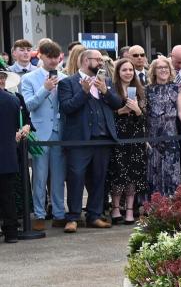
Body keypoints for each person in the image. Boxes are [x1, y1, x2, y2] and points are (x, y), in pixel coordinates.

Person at [58, 49, 123, 232]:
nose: (101, 63)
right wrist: (84, 92)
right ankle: (73, 217)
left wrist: (105, 92)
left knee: (99, 178)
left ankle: (95, 215)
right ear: (86, 61)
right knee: (76, 177)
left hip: (102, 139)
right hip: (80, 140)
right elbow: (67, 108)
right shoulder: (67, 83)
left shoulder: (106, 81)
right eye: (98, 60)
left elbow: (118, 104)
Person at [20, 41, 66, 230]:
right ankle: (39, 213)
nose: (53, 60)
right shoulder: (29, 78)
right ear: (41, 56)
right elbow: (28, 105)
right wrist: (45, 88)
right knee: (39, 175)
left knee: (58, 175)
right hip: (39, 132)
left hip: (60, 131)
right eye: (50, 56)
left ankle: (59, 213)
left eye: (56, 57)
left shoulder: (64, 77)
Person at [106, 58, 148, 224]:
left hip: (135, 138)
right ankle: (116, 208)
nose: (128, 73)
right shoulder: (112, 90)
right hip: (118, 138)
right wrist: (120, 112)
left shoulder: (139, 90)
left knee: (133, 175)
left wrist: (137, 111)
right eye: (124, 70)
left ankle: (130, 210)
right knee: (118, 174)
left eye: (131, 70)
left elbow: (144, 119)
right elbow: (108, 117)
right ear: (118, 72)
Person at [0, 72, 32, 242]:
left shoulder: (14, 98)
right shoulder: (13, 99)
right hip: (8, 154)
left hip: (8, 151)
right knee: (8, 195)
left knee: (7, 194)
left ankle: (11, 230)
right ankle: (11, 232)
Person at [146, 58, 181, 197]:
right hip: (152, 138)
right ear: (154, 71)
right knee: (153, 173)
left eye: (166, 67)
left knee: (171, 172)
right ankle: (154, 208)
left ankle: (172, 206)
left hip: (171, 136)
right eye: (159, 67)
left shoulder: (177, 88)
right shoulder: (147, 89)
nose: (163, 70)